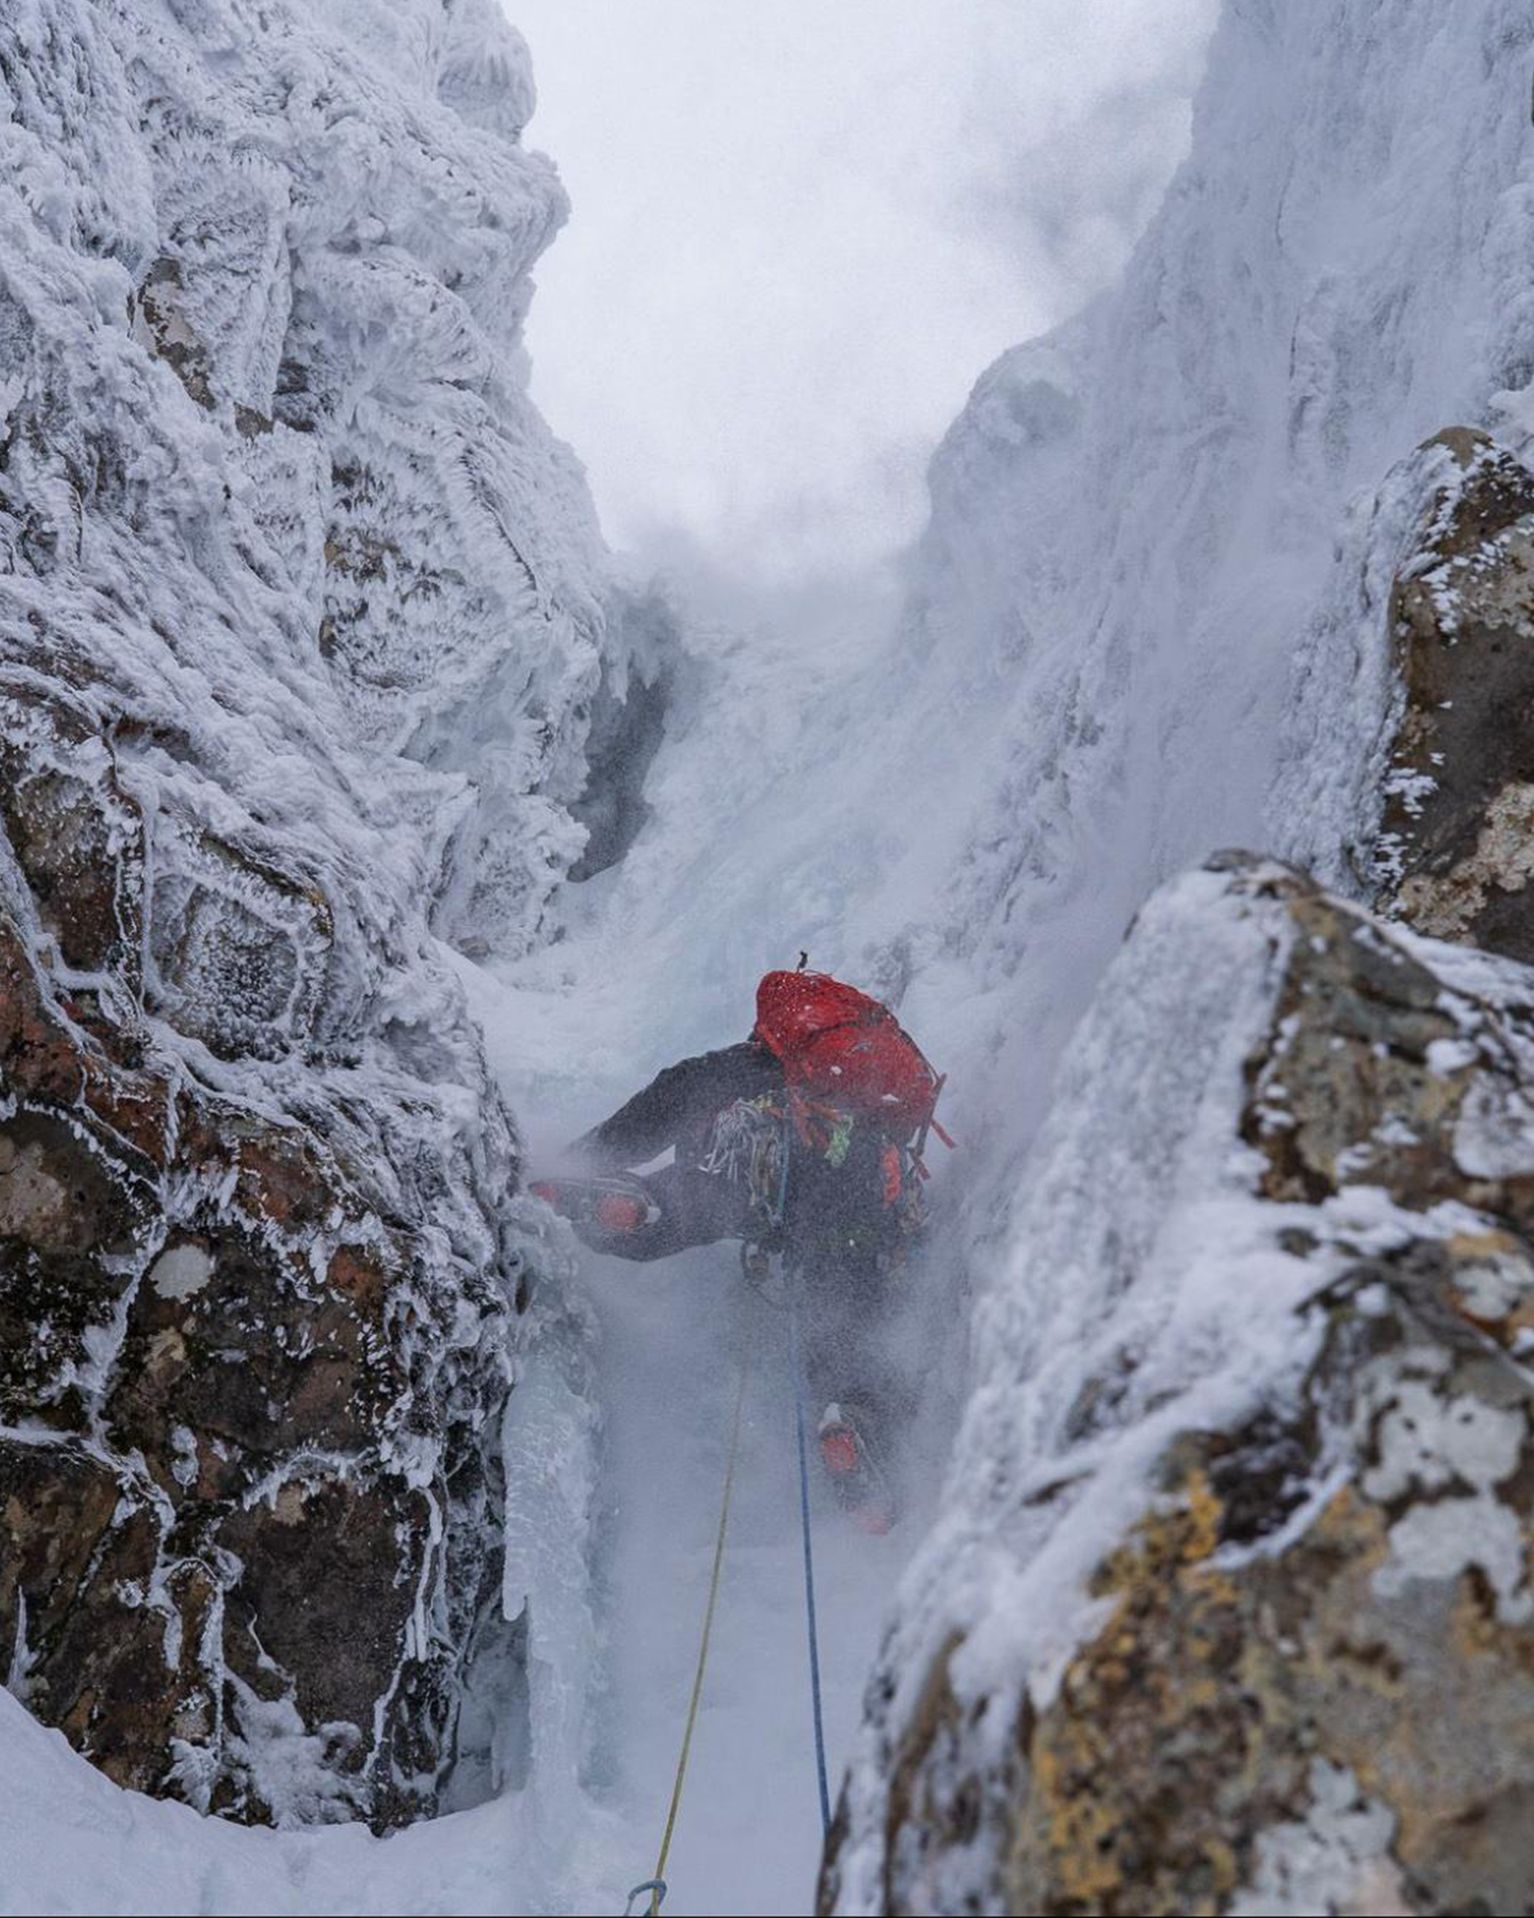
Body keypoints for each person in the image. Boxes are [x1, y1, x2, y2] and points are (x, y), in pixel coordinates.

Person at [532, 966, 948, 1527]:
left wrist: (582, 1158)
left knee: (689, 1203)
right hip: (856, 1201)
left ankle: (639, 1207)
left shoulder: (752, 1067)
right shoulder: (877, 1096)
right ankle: (850, 1420)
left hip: (757, 1171)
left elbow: (672, 1096)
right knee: (844, 1312)